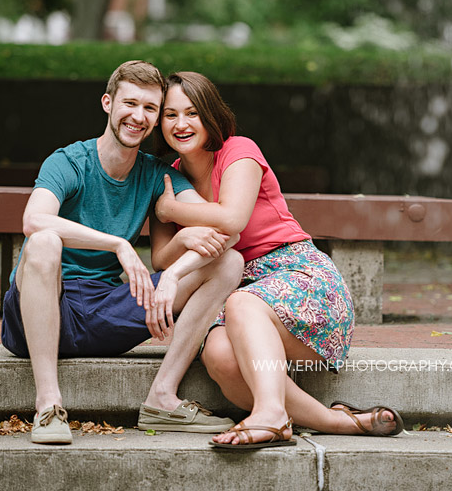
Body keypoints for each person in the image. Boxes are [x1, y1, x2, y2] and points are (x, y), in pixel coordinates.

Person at [153, 71, 404, 450]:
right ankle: (336, 422)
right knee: (220, 356)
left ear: (211, 116)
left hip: (299, 275)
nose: (181, 124)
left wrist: (170, 210)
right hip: (236, 291)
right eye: (170, 115)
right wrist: (183, 235)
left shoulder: (238, 150)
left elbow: (233, 218)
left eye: (193, 113)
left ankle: (270, 415)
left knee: (244, 303)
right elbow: (160, 257)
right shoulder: (166, 177)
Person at [1, 61, 244, 445]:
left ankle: (162, 397)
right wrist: (118, 244)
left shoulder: (155, 173)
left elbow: (225, 232)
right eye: (130, 104)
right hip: (37, 310)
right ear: (108, 103)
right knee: (45, 241)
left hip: (103, 311)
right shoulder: (68, 162)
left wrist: (175, 270)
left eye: (150, 108)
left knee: (229, 262)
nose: (139, 116)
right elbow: (34, 220)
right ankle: (48, 405)